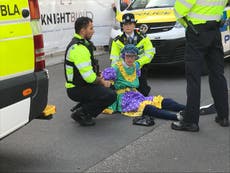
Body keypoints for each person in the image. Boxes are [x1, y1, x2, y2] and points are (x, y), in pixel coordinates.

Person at [171, 0, 229, 132]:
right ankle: (223, 116)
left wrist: (188, 26)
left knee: (193, 78)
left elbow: (179, 10)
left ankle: (191, 121)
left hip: (196, 32)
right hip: (214, 31)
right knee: (217, 75)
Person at [103, 44, 185, 121]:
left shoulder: (136, 66)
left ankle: (189, 109)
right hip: (124, 98)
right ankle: (176, 117)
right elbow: (104, 78)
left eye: (132, 56)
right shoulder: (117, 67)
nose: (130, 59)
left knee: (162, 101)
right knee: (147, 107)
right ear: (123, 56)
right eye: (128, 56)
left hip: (136, 94)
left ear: (135, 57)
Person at [64, 17, 117, 126]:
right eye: (91, 28)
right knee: (110, 95)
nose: (93, 31)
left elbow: (87, 70)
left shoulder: (82, 44)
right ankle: (82, 113)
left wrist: (99, 74)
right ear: (83, 31)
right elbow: (89, 78)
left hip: (80, 85)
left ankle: (85, 106)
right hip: (76, 89)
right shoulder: (79, 48)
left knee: (110, 88)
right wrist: (102, 82)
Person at [110, 13, 155, 96]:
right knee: (118, 92)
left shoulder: (143, 38)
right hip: (123, 71)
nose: (128, 26)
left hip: (140, 68)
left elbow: (150, 53)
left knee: (143, 92)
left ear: (134, 25)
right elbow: (114, 58)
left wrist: (138, 63)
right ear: (122, 26)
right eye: (125, 24)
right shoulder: (117, 41)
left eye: (130, 24)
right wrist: (115, 70)